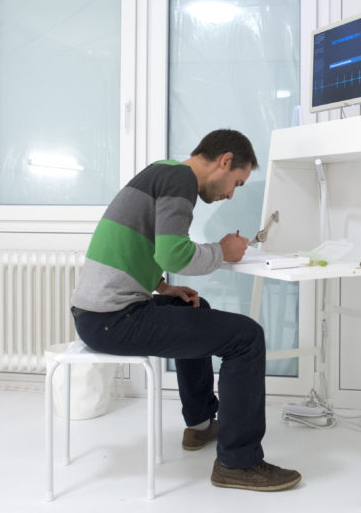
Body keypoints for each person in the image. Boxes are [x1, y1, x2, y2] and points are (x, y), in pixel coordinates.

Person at [71, 128, 301, 492]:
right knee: (247, 337)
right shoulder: (180, 179)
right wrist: (221, 251)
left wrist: (164, 287)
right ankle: (238, 463)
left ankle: (199, 424)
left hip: (97, 314)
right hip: (112, 320)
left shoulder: (163, 170)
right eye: (236, 183)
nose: (229, 194)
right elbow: (173, 253)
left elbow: (142, 243)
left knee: (194, 306)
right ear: (225, 161)